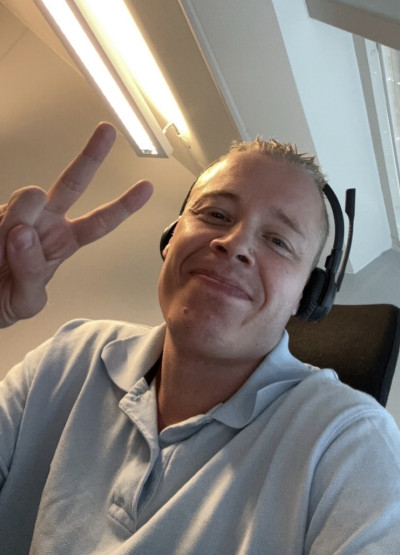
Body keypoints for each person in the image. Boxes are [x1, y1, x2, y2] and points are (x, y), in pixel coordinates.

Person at [0, 122, 399, 554]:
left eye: (278, 241)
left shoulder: (348, 440)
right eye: (216, 215)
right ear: (170, 239)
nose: (235, 243)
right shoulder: (69, 355)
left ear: (309, 296)